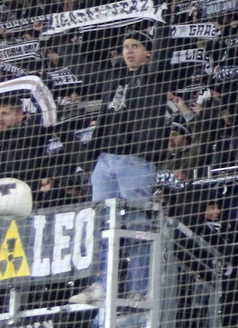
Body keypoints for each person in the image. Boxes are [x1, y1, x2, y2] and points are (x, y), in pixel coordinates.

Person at [70, 29, 170, 306]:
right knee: (100, 226)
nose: (129, 51)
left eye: (135, 46)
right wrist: (59, 37)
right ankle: (102, 285)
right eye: (126, 46)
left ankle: (139, 289)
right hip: (104, 160)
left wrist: (163, 24)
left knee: (136, 226)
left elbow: (164, 53)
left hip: (136, 161)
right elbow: (81, 66)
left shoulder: (155, 77)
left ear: (148, 52)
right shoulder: (112, 76)